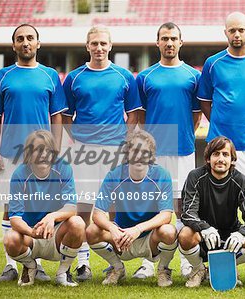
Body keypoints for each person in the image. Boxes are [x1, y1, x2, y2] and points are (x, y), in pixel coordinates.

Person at [197, 11, 245, 279]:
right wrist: (222, 134)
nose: (237, 35)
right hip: (219, 146)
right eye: (232, 30)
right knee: (212, 202)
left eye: (241, 30)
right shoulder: (213, 63)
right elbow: (205, 101)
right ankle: (202, 261)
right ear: (225, 33)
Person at [0, 24, 67, 282]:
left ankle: (37, 264)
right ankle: (11, 265)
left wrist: (55, 149)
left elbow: (57, 117)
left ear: (38, 43)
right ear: (14, 45)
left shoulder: (50, 75)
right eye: (20, 39)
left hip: (41, 156)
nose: (25, 42)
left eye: (30, 38)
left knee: (41, 207)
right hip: (10, 153)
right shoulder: (3, 76)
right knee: (10, 209)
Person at [62, 25, 141, 281]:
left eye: (103, 44)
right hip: (84, 152)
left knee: (113, 208)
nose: (99, 48)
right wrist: (80, 140)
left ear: (110, 46)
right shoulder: (74, 78)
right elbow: (65, 115)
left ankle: (114, 261)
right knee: (83, 206)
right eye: (94, 44)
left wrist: (123, 141)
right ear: (87, 46)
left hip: (115, 151)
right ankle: (83, 263)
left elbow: (134, 113)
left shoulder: (124, 76)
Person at [135, 22, 200, 279]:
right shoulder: (145, 77)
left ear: (181, 42)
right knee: (152, 208)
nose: (170, 43)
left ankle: (186, 260)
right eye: (165, 38)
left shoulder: (193, 76)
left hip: (183, 150)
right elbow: (140, 116)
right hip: (154, 154)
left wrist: (182, 136)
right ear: (158, 42)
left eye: (174, 38)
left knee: (184, 207)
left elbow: (196, 116)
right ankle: (149, 264)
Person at [86, 130, 177, 287]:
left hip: (150, 239)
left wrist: (138, 229)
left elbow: (166, 215)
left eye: (145, 152)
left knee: (169, 231)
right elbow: (98, 213)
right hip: (121, 238)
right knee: (92, 231)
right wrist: (112, 229)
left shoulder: (161, 175)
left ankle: (163, 270)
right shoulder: (114, 175)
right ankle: (117, 267)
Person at [178, 136, 245, 288]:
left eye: (225, 154)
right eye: (216, 154)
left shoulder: (241, 180)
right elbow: (188, 213)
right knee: (185, 234)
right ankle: (199, 269)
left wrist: (241, 233)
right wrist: (205, 228)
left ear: (232, 159)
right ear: (208, 158)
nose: (221, 159)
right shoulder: (195, 176)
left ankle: (225, 267)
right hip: (204, 237)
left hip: (230, 239)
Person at [4, 130, 84, 287]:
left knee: (78, 223)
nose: (43, 155)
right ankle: (30, 265)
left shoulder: (63, 168)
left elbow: (71, 207)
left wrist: (51, 217)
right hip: (30, 236)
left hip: (57, 234)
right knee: (10, 239)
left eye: (47, 150)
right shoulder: (19, 174)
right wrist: (32, 232)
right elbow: (15, 219)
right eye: (37, 150)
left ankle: (63, 272)